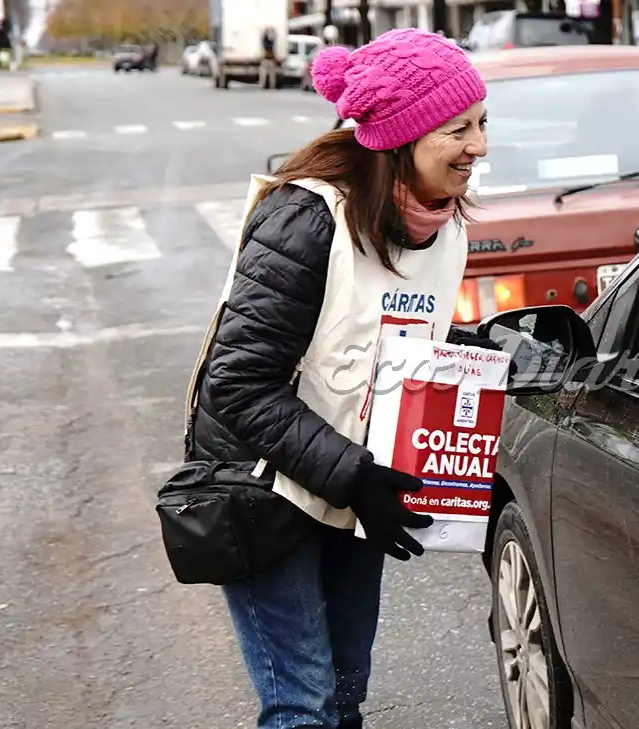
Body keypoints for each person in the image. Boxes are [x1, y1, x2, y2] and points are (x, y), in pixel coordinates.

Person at [191, 28, 491, 729]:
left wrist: (490, 351)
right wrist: (354, 474)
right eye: (459, 128)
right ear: (400, 137)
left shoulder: (442, 227)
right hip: (263, 484)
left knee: (345, 690)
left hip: (351, 481)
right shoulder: (307, 218)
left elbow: (391, 340)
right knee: (304, 704)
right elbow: (237, 382)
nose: (479, 145)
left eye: (482, 123)